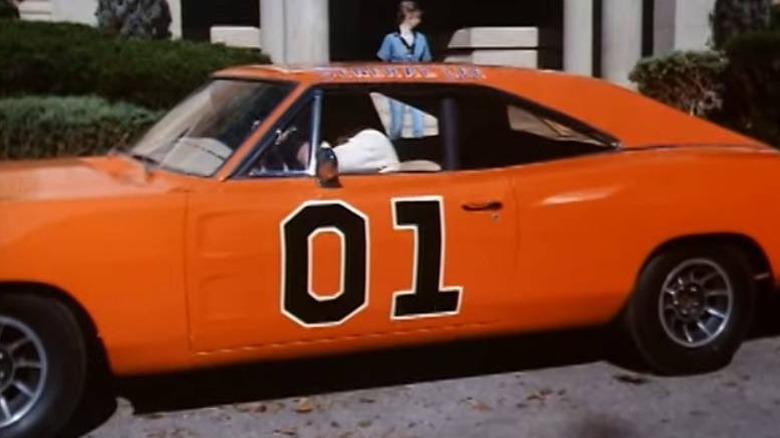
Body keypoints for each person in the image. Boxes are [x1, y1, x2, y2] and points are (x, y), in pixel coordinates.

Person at [377, 1, 432, 140]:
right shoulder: (391, 39)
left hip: (417, 84)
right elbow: (383, 60)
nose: (418, 21)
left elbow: (427, 60)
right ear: (408, 16)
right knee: (397, 123)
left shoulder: (421, 38)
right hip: (396, 85)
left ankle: (419, 148)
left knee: (418, 124)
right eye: (416, 17)